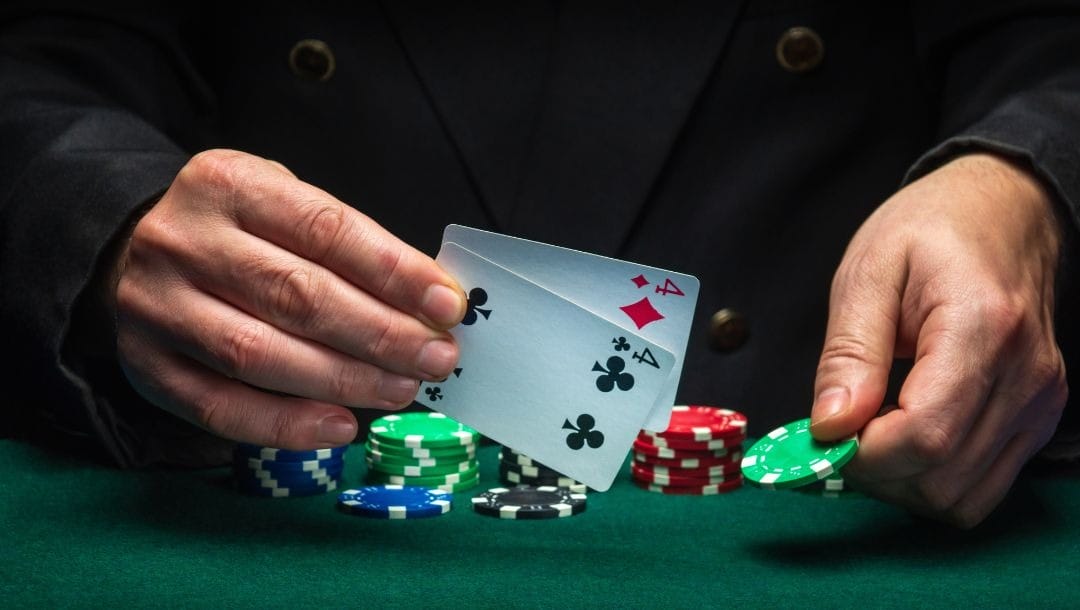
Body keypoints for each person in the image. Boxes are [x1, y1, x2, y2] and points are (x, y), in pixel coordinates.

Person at [1, 3, 1078, 528]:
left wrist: (1020, 179)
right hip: (295, 467)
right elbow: (39, 62)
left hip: (841, 460)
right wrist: (110, 219)